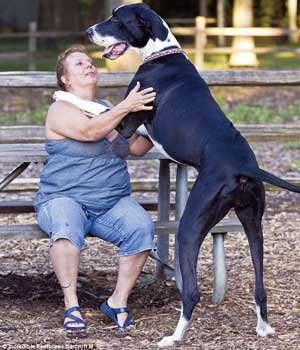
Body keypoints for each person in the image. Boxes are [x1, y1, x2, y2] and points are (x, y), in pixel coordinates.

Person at [34, 45, 156, 332]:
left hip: (110, 201)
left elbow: (136, 148)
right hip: (64, 197)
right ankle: (71, 305)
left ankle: (117, 301)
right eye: (79, 64)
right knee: (65, 226)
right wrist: (126, 106)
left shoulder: (105, 109)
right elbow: (90, 131)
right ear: (65, 79)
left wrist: (158, 116)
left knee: (141, 227)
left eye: (90, 62)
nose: (89, 66)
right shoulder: (60, 109)